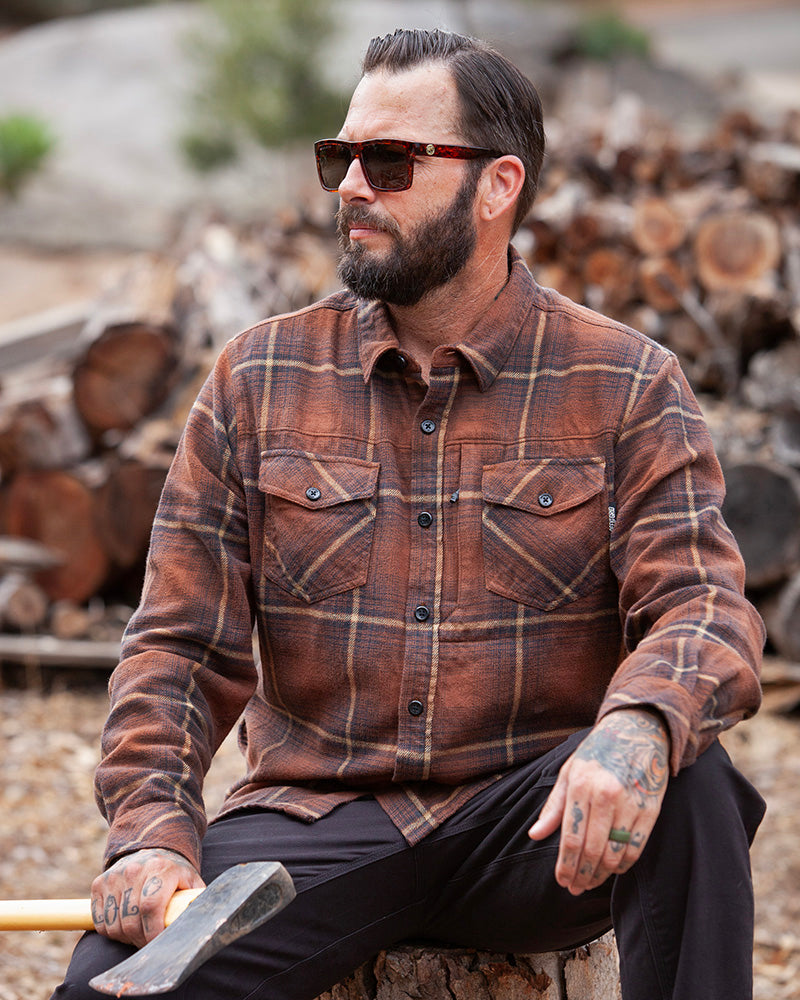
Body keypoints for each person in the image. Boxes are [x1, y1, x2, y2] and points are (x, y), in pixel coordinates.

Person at [54, 27, 766, 1000]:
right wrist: (148, 833)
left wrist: (638, 724)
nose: (352, 186)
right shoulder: (257, 379)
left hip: (533, 829)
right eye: (338, 158)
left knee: (692, 781)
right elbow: (175, 647)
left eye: (389, 161)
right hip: (312, 829)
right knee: (105, 992)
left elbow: (703, 608)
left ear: (497, 184)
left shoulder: (625, 383)